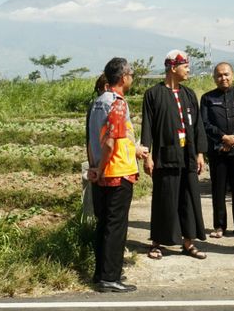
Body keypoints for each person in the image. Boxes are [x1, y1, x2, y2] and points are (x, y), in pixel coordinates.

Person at [87, 57, 148, 292]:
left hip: (100, 172)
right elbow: (111, 143)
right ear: (123, 78)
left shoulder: (97, 102)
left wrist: (95, 169)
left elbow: (93, 138)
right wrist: (102, 168)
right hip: (115, 172)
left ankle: (101, 273)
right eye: (130, 73)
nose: (131, 77)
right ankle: (110, 277)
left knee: (104, 225)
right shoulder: (118, 103)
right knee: (116, 227)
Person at [141, 49, 208, 260]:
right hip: (165, 156)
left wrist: (199, 153)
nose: (188, 69)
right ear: (172, 67)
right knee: (164, 199)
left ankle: (188, 243)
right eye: (185, 65)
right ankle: (157, 243)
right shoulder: (153, 94)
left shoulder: (189, 94)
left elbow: (197, 126)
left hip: (187, 156)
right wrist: (148, 155)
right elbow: (148, 126)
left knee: (188, 199)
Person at [200, 62, 234, 239]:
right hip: (218, 151)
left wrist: (233, 139)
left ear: (232, 75)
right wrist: (223, 137)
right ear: (214, 78)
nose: (223, 78)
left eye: (226, 74)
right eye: (219, 75)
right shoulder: (207, 98)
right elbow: (205, 123)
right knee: (218, 189)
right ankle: (219, 226)